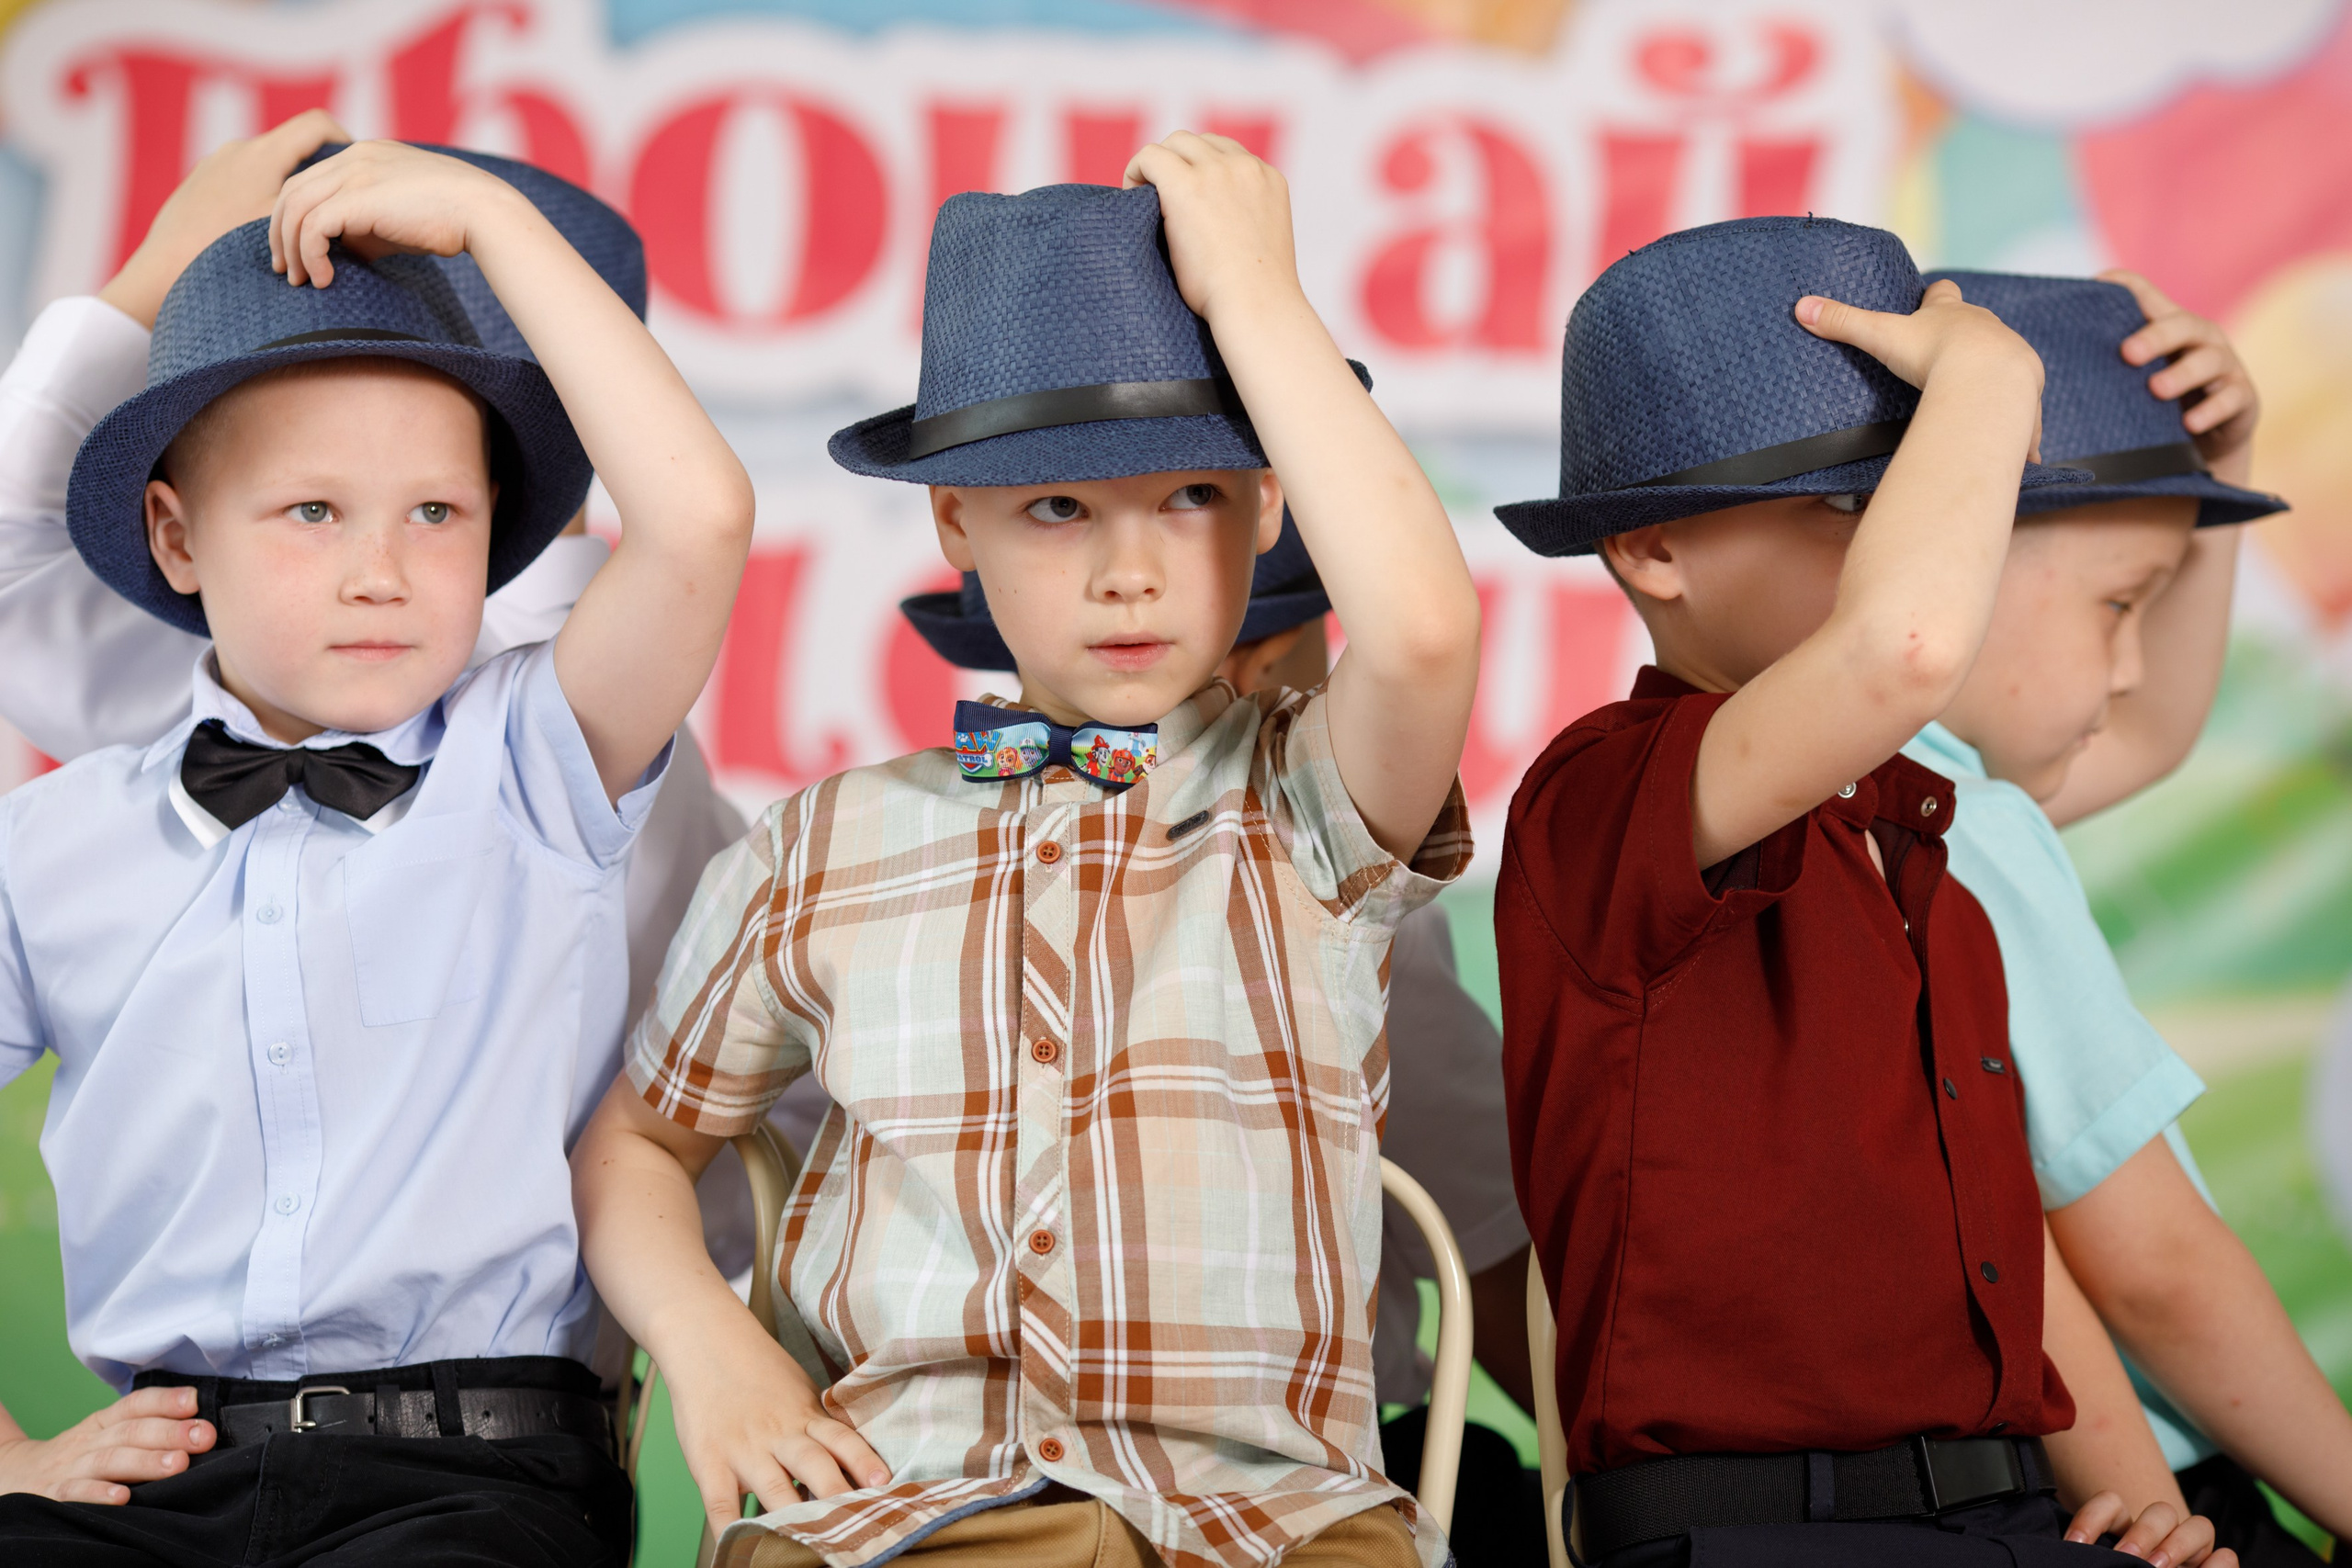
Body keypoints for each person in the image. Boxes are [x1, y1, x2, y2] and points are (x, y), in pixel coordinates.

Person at [572, 133, 1482, 1568]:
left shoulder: (1311, 801)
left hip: (1271, 1519)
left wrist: (1255, 300)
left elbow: (1425, 628)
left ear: (1268, 503)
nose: (1130, 568)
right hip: (904, 1509)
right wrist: (706, 1337)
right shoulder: (824, 842)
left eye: (1190, 495)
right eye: (1058, 507)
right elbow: (637, 1135)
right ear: (953, 521)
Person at [0, 139, 753, 1565]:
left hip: (475, 1468)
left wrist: (485, 219)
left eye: (436, 514)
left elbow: (700, 517)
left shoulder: (544, 754)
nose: (379, 569)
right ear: (173, 533)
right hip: (167, 1469)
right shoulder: (55, 838)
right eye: (311, 512)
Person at [1491, 216, 2231, 1567]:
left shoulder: (1921, 836)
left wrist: (2145, 1513)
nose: (1931, 544)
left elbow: (2033, 1275)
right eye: (1853, 504)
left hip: (2014, 1509)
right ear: (1656, 549)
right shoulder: (1601, 795)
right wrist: (1992, 387)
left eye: (1930, 498)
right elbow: (1900, 648)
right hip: (1757, 1528)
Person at [898, 518, 1544, 1565]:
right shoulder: (892, 871)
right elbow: (1489, 1242)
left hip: (1270, 1484)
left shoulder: (1353, 892)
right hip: (1004, 1479)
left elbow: (1486, 1243)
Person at [1905, 266, 2351, 1564]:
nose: (2133, 665)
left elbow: (2143, 731)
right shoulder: (1963, 833)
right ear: (1969, 550)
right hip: (2143, 1489)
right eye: (2121, 604)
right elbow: (2152, 1267)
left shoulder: (1872, 801)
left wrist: (2217, 482)